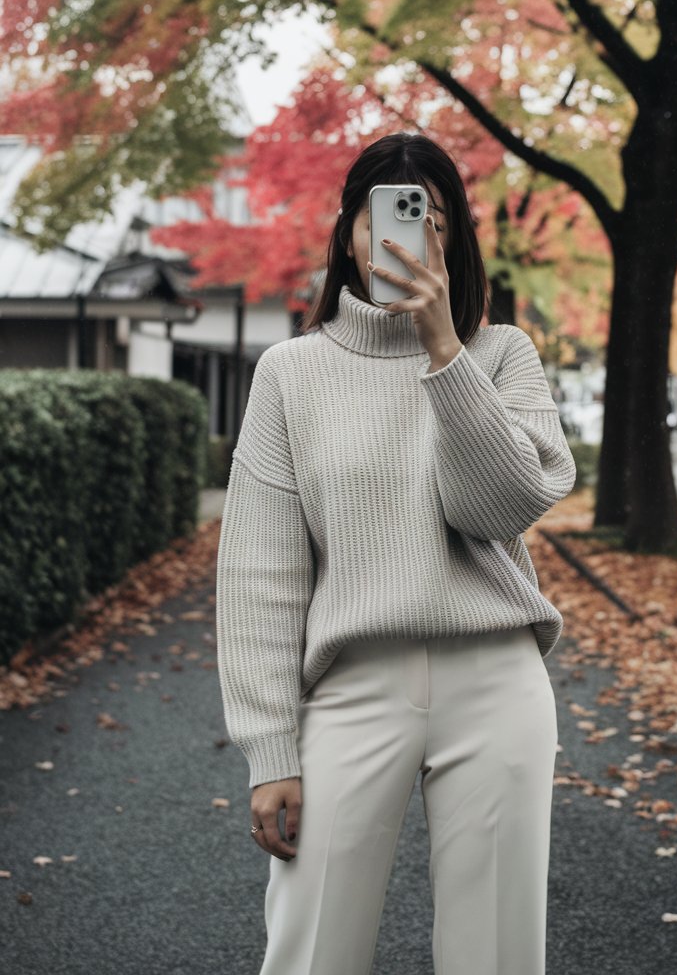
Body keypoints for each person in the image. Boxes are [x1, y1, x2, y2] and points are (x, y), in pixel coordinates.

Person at [215, 131, 577, 975]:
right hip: (352, 685)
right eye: (390, 216)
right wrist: (270, 750)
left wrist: (445, 353)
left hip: (496, 678)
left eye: (435, 221)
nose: (412, 238)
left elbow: (501, 505)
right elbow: (260, 574)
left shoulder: (501, 355)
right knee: (311, 949)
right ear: (350, 234)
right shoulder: (290, 374)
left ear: (456, 241)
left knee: (495, 954)